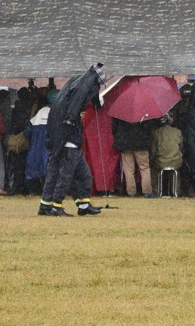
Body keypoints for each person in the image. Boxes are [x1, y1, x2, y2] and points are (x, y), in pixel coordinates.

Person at [40, 65, 103, 217]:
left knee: (67, 174)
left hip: (60, 142)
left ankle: (78, 204)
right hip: (70, 143)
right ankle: (56, 205)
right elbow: (80, 102)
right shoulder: (72, 109)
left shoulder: (64, 98)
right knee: (67, 176)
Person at [113, 114, 154, 198]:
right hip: (141, 143)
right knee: (144, 168)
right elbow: (149, 128)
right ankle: (147, 191)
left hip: (125, 144)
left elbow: (114, 129)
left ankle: (131, 192)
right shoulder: (144, 111)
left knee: (128, 169)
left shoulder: (120, 111)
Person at [151, 114, 183, 198]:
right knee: (177, 172)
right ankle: (176, 191)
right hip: (176, 161)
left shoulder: (156, 132)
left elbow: (154, 150)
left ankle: (157, 191)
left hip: (161, 161)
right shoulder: (178, 132)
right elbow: (181, 147)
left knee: (154, 170)